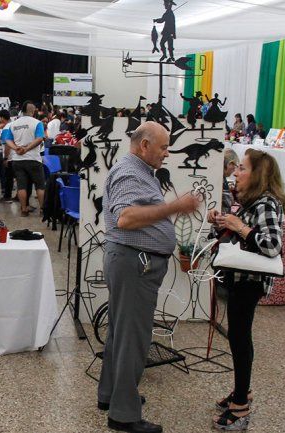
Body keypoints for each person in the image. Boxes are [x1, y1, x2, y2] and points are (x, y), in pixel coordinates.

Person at [98, 122, 199, 433]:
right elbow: (126, 217)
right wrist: (174, 207)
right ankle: (124, 415)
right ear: (144, 146)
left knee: (121, 332)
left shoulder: (137, 170)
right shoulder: (131, 172)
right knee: (134, 338)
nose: (167, 153)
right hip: (134, 264)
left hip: (130, 261)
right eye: (163, 147)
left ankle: (111, 396)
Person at [207, 149, 285, 431]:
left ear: (257, 174)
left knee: (240, 338)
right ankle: (243, 390)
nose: (236, 172)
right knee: (238, 337)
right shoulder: (252, 202)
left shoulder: (266, 203)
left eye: (242, 168)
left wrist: (238, 225)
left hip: (250, 282)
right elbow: (243, 238)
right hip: (240, 279)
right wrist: (223, 223)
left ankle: (240, 404)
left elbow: (271, 245)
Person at [2, 101, 45, 216]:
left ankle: (24, 209)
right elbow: (40, 139)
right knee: (40, 185)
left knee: (21, 186)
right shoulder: (37, 123)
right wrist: (26, 149)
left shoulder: (13, 124)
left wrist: (16, 148)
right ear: (32, 110)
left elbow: (7, 140)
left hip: (17, 159)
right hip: (33, 159)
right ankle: (42, 209)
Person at [222, 149, 239, 213]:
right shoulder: (222, 180)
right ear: (229, 164)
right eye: (234, 165)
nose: (234, 168)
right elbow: (229, 201)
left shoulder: (223, 178)